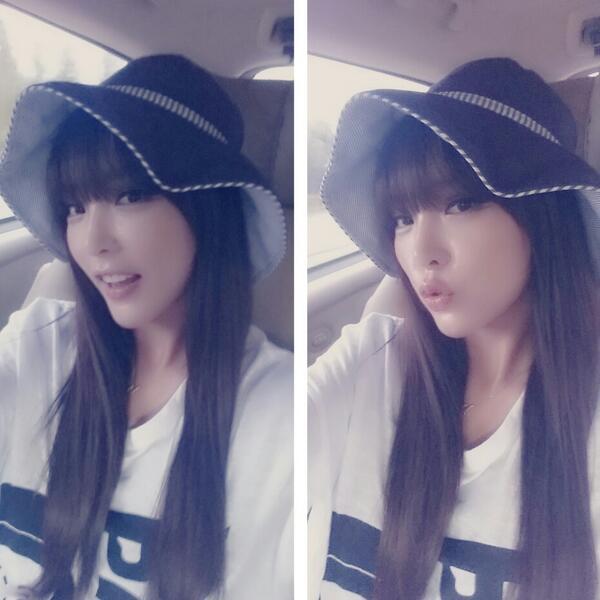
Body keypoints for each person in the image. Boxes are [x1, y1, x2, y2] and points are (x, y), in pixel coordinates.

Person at [0, 55, 292, 599]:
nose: (92, 242)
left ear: (206, 208)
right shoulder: (40, 341)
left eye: (130, 196)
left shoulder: (278, 414)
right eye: (75, 207)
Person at [308, 58, 600, 600]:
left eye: (460, 204)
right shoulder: (372, 359)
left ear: (541, 213)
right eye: (402, 218)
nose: (421, 252)